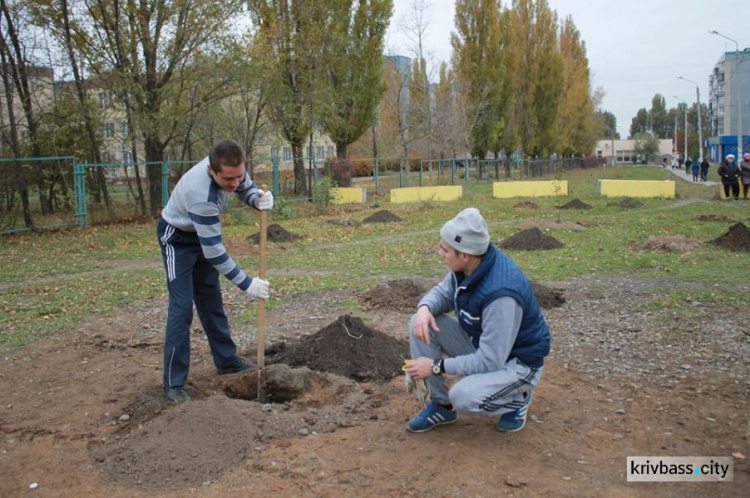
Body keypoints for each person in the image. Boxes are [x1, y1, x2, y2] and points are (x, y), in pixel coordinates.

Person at [403, 208, 550, 434]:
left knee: (463, 396)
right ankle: (442, 406)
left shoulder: (501, 294)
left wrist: (435, 366)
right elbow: (443, 294)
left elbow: (491, 361)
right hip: (485, 346)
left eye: (444, 249)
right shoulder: (470, 265)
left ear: (465, 255)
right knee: (419, 322)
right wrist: (424, 308)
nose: (439, 252)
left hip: (516, 363)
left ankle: (517, 398)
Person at [156, 139, 273, 402]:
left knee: (211, 301)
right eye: (228, 179)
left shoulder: (233, 168)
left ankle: (227, 360)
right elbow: (214, 253)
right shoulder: (203, 197)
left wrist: (258, 200)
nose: (234, 183)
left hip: (202, 236)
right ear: (212, 171)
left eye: (238, 176)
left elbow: (247, 189)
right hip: (178, 239)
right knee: (182, 308)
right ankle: (173, 384)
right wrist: (247, 283)